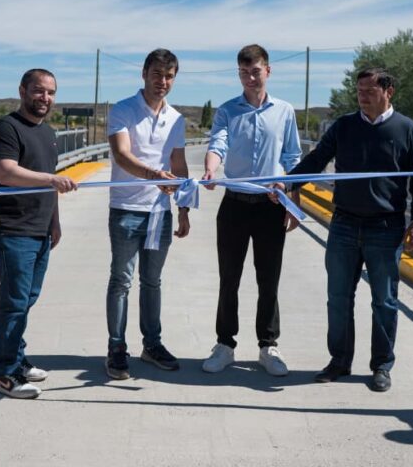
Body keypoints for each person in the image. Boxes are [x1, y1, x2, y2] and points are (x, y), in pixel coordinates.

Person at [288, 67, 413, 392]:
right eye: (359, 91)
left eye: (369, 91)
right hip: (344, 226)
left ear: (388, 91)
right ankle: (339, 361)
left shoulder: (408, 131)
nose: (362, 96)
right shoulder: (344, 127)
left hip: (386, 228)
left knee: (384, 301)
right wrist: (290, 180)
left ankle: (381, 366)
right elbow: (317, 159)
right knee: (338, 298)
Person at [201, 44, 302, 376]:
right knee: (229, 278)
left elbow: (292, 158)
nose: (249, 78)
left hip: (270, 206)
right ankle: (225, 345)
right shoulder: (228, 110)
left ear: (268, 71)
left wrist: (290, 195)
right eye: (243, 72)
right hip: (234, 206)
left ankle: (267, 346)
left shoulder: (285, 111)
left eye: (255, 71)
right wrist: (211, 169)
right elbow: (218, 143)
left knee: (268, 280)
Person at [0, 68, 77, 399]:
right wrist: (51, 181)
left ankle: (18, 359)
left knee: (25, 300)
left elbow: (50, 178)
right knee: (14, 302)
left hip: (39, 231)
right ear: (23, 91)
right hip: (11, 230)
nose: (45, 98)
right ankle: (6, 375)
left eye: (51, 92)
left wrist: (55, 221)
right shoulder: (6, 128)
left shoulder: (48, 132)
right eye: (39, 91)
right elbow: (6, 173)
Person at [104, 48, 190, 380]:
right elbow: (122, 156)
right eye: (157, 74)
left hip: (159, 214)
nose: (163, 82)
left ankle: (151, 345)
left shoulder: (177, 118)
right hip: (126, 210)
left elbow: (179, 165)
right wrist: (155, 177)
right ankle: (116, 349)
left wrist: (182, 207)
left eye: (169, 76)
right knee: (121, 281)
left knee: (152, 282)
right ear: (144, 73)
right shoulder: (123, 110)